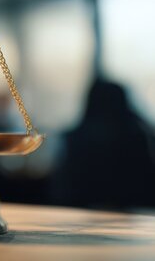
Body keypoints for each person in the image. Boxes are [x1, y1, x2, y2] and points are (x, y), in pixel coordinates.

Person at [52, 78, 155, 209]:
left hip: (79, 214)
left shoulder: (76, 138)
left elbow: (63, 190)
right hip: (132, 214)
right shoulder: (136, 136)